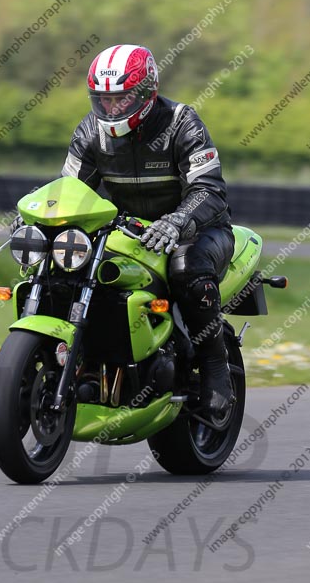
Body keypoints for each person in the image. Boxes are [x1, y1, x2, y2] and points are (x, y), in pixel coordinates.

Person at [60, 44, 235, 416]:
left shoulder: (181, 122)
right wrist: (40, 217)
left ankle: (216, 368)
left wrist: (176, 221)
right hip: (129, 231)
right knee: (71, 263)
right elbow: (70, 190)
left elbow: (210, 190)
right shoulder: (91, 131)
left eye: (121, 99)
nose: (111, 109)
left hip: (199, 229)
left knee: (185, 267)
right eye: (102, 100)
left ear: (146, 92)